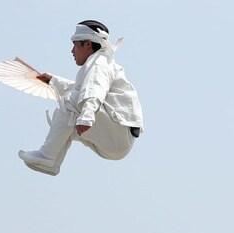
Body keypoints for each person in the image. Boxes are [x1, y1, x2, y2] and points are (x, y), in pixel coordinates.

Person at [18, 20, 143, 176]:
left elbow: (94, 89)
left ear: (88, 45)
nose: (72, 50)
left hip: (119, 133)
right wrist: (53, 81)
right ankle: (51, 162)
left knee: (70, 102)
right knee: (66, 118)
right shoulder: (100, 62)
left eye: (75, 45)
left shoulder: (99, 63)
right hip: (118, 142)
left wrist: (87, 116)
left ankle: (47, 156)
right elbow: (83, 89)